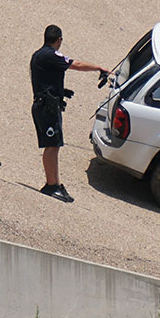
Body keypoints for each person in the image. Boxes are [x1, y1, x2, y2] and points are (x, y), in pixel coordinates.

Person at [30, 24, 110, 202]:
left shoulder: (39, 55)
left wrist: (60, 90)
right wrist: (98, 68)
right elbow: (77, 65)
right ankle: (51, 185)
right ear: (59, 40)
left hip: (45, 104)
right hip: (46, 108)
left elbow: (44, 80)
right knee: (52, 146)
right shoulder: (51, 55)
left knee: (54, 144)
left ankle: (55, 183)